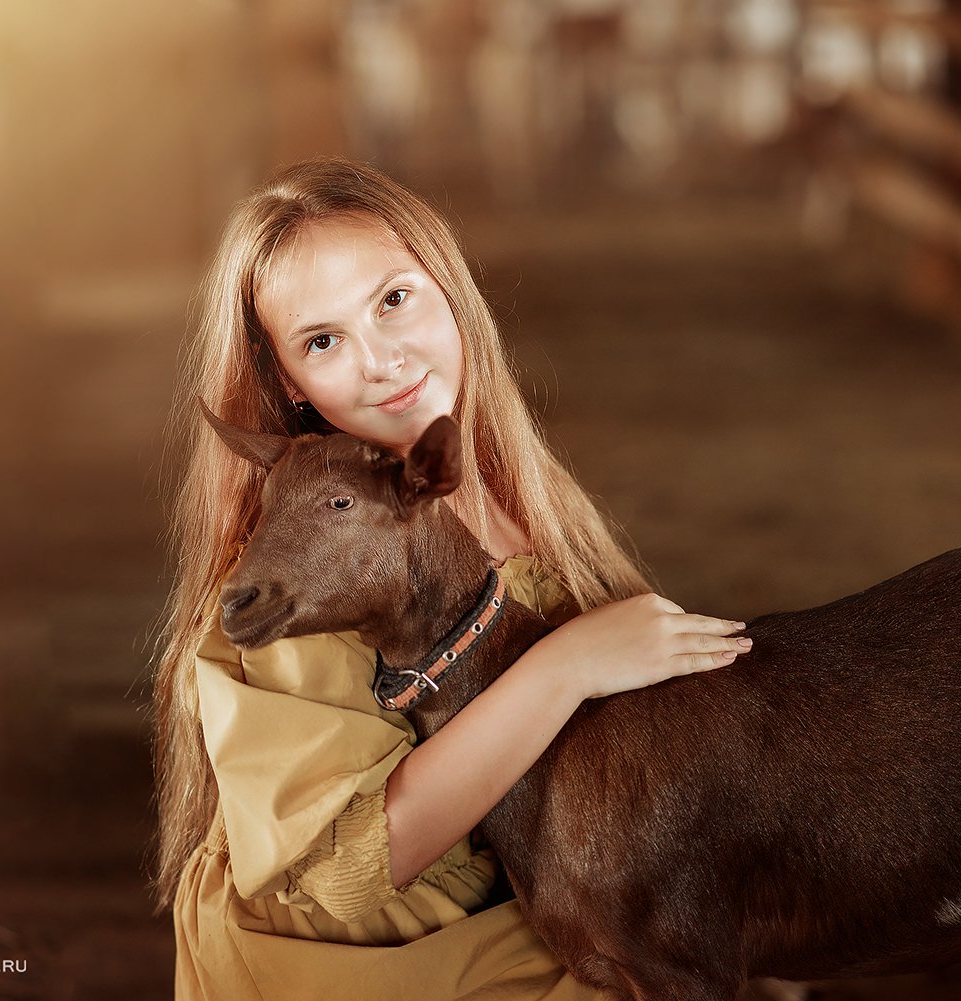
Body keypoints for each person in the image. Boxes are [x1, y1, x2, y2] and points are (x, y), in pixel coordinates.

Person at [152, 156, 753, 1000]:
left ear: (448, 284)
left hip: (538, 889)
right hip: (370, 956)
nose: (381, 359)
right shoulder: (315, 574)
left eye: (393, 300)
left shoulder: (519, 494)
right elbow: (354, 877)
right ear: (290, 380)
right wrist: (569, 662)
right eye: (323, 341)